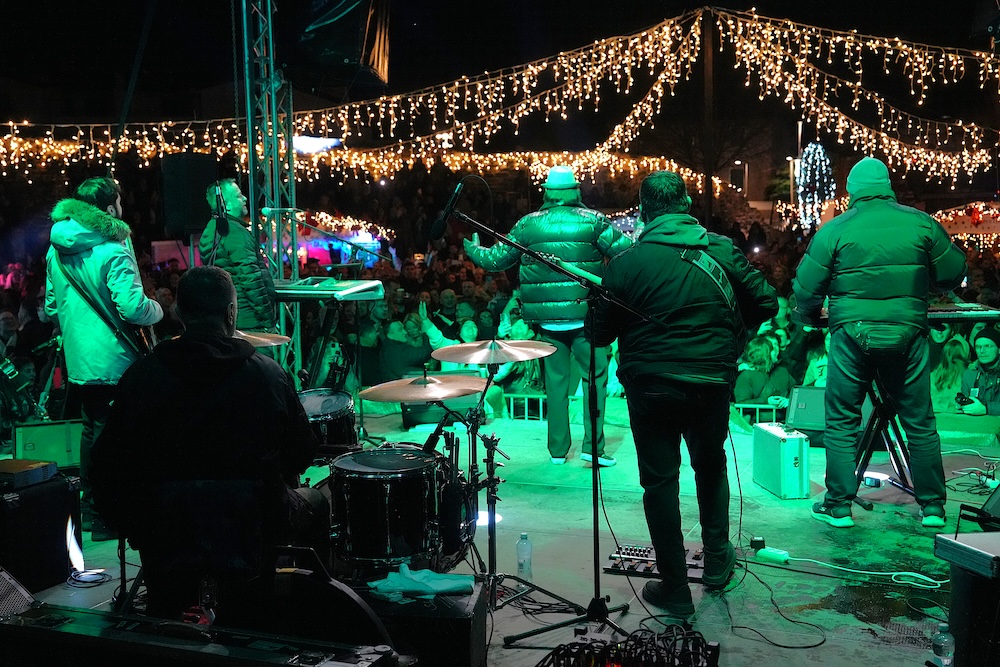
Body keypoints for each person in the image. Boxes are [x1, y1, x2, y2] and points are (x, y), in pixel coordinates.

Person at [591, 170, 778, 618]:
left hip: (651, 386)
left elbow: (598, 334)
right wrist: (732, 338)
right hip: (710, 381)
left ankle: (675, 587)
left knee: (659, 482)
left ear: (643, 211)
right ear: (688, 204)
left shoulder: (626, 263)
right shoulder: (720, 250)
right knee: (710, 467)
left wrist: (596, 299)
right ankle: (716, 562)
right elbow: (767, 301)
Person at [90, 267, 328, 615]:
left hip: (165, 528)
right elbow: (301, 453)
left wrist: (134, 517)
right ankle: (305, 616)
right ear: (231, 313)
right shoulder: (268, 374)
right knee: (318, 500)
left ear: (179, 313)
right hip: (254, 520)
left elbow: (106, 462)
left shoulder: (141, 376)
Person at [793, 156, 967, 529]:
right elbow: (954, 271)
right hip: (908, 332)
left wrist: (808, 316)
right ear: (887, 187)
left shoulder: (836, 229)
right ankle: (933, 507)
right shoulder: (921, 223)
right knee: (919, 420)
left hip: (851, 335)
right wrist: (929, 285)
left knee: (842, 419)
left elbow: (805, 289)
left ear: (852, 192)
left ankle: (839, 506)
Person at [464, 165, 632, 466]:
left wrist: (473, 248)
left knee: (555, 386)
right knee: (595, 382)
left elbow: (496, 259)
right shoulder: (592, 220)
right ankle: (593, 449)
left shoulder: (529, 224)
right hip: (587, 316)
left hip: (548, 322)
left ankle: (557, 451)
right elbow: (627, 251)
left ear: (547, 193)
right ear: (575, 191)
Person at [45, 176, 164, 541]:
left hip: (80, 359)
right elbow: (133, 308)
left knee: (91, 429)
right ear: (111, 206)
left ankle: (91, 509)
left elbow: (51, 307)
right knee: (116, 438)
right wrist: (158, 308)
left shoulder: (56, 248)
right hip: (114, 358)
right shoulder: (114, 247)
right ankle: (108, 516)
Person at [198, 178, 277, 350]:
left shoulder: (210, 230)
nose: (245, 199)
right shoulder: (235, 233)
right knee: (257, 366)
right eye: (239, 196)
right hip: (249, 322)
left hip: (229, 319)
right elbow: (251, 279)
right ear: (226, 204)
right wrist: (268, 319)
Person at [958, 328, 1000, 415]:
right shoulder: (970, 374)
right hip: (976, 422)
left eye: (987, 346)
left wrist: (986, 409)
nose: (982, 351)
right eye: (978, 347)